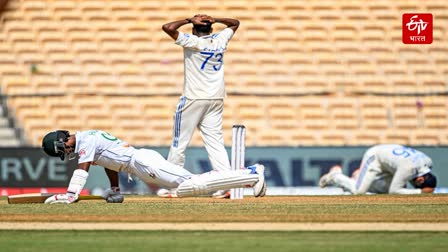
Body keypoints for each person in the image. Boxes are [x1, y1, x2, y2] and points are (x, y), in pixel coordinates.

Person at [41, 130, 267, 204]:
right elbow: (109, 164)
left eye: (64, 149)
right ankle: (248, 179)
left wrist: (71, 195)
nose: (66, 153)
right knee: (189, 187)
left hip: (142, 162)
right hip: (138, 164)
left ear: (63, 140)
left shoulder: (85, 141)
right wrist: (115, 189)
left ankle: (251, 172)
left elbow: (83, 169)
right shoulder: (87, 141)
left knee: (190, 186)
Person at [161, 14, 240, 198]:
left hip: (193, 98)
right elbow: (235, 23)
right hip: (216, 98)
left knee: (179, 142)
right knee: (215, 143)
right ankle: (227, 186)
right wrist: (215, 19)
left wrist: (189, 20)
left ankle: (173, 186)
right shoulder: (220, 38)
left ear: (194, 31)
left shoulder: (193, 41)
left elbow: (168, 27)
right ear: (211, 30)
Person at [319, 144, 437, 194]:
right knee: (358, 191)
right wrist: (420, 192)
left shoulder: (428, 162)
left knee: (387, 190)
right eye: (417, 185)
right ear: (420, 180)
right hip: (376, 157)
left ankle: (357, 177)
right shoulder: (408, 168)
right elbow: (394, 191)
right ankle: (335, 176)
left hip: (391, 157)